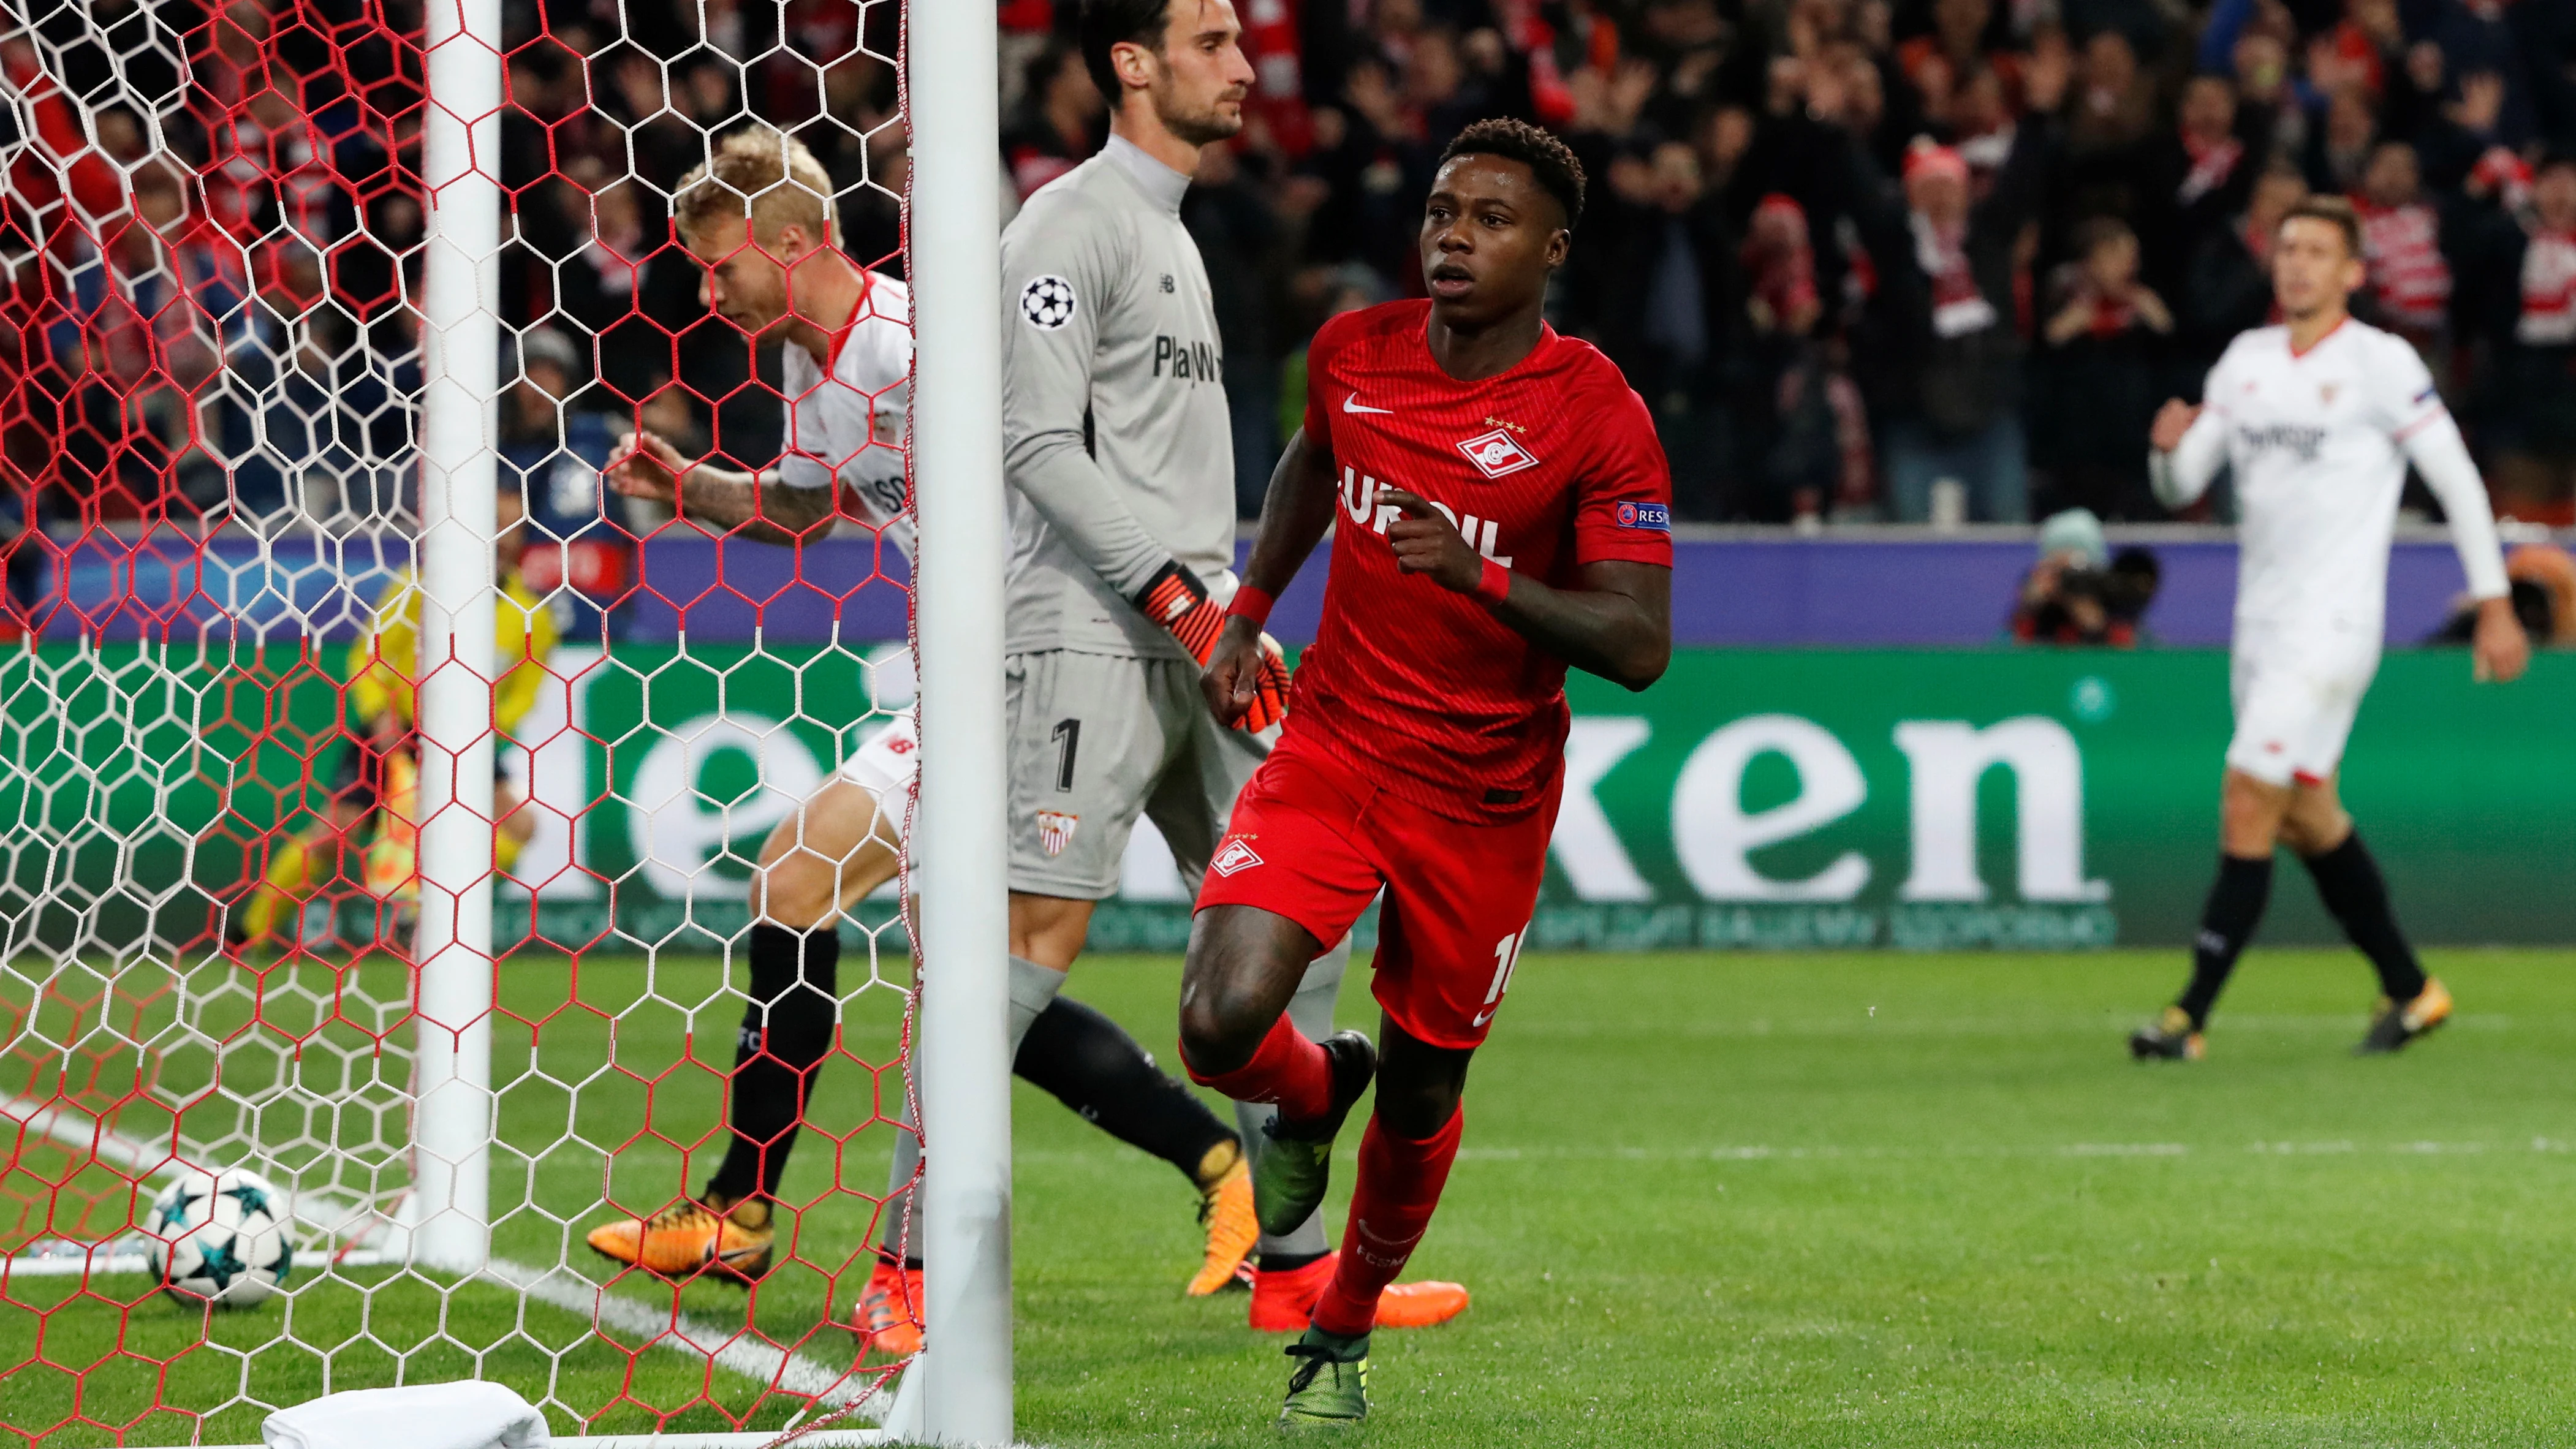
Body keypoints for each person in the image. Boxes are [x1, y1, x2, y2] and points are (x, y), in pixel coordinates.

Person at [588, 126, 1265, 1353]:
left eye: (719, 260)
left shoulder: (924, 344)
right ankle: (1211, 1161)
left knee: (927, 950)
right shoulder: (812, 367)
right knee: (889, 932)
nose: (707, 287)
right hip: (964, 673)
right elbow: (804, 501)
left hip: (1048, 661)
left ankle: (864, 1248)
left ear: (796, 242)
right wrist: (690, 488)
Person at [1178, 118, 1674, 1426]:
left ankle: (1338, 1321)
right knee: (1215, 1024)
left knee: (1427, 1081)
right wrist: (1245, 610)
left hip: (1485, 794)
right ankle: (1310, 1087)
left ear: (1551, 251)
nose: (1453, 234)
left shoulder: (1596, 414)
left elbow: (1637, 643)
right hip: (1336, 743)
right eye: (1442, 211)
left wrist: (1482, 575)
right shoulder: (1355, 353)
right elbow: (1309, 459)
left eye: (1491, 219)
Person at [985, 0, 1464, 1339]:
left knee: (1295, 925)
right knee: (1026, 951)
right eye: (1207, 39)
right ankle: (911, 1268)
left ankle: (1294, 1269)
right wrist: (1189, 606)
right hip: (1093, 630)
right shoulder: (1064, 225)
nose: (1244, 65)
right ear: (1129, 62)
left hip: (1203, 638)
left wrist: (1230, 614)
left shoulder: (1174, 235)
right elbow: (1034, 447)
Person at [2128, 194, 2528, 1064]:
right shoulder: (2247, 361)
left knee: (2246, 790)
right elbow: (2183, 480)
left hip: (2335, 624)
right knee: (2306, 813)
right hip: (2260, 627)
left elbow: (2457, 481)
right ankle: (2412, 986)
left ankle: (2187, 1016)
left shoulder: (2382, 365)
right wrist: (2168, 450)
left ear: (2353, 272)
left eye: (2317, 251)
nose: (2298, 263)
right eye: (2288, 249)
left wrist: (2493, 600)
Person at [230, 488, 556, 953]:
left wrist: (485, 728)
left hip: (464, 740)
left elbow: (524, 693)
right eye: (495, 526)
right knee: (334, 835)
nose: (502, 540)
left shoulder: (532, 617)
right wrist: (381, 720)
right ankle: (250, 933)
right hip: (392, 728)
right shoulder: (420, 585)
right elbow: (368, 655)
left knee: (518, 827)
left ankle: (428, 915)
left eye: (513, 529)